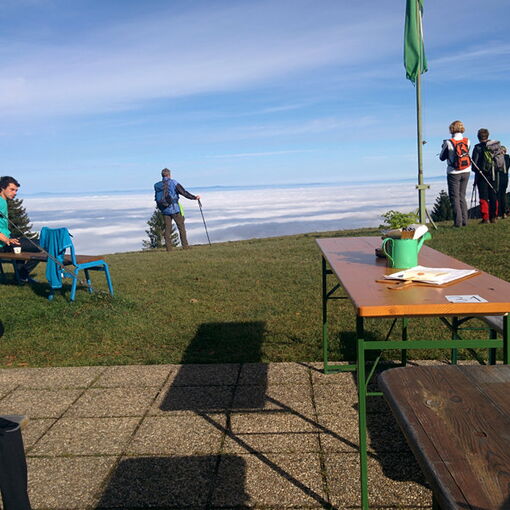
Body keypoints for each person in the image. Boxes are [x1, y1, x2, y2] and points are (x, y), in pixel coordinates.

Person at [0, 176, 41, 282]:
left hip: (8, 238)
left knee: (22, 247)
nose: (14, 193)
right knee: (42, 245)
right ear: (2, 188)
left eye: (16, 190)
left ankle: (20, 277)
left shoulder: (3, 201)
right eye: (12, 189)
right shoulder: (0, 202)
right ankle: (23, 275)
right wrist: (6, 240)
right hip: (3, 243)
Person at [153, 168, 200, 250]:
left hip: (164, 209)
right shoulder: (173, 183)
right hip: (174, 209)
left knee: (167, 228)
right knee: (181, 227)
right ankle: (185, 246)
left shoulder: (158, 185)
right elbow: (184, 192)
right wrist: (194, 197)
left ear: (162, 175)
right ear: (169, 175)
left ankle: (169, 248)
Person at [439, 120, 471, 227]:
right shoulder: (467, 141)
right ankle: (465, 221)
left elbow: (441, 157)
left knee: (454, 197)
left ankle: (458, 222)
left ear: (451, 129)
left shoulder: (449, 142)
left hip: (453, 172)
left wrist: (443, 147)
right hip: (466, 170)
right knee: (462, 196)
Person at [471, 128, 499, 224]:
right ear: (488, 136)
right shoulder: (494, 146)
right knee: (493, 195)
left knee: (483, 196)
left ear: (478, 137)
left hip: (481, 175)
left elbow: (474, 164)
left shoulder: (477, 148)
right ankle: (494, 217)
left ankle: (485, 218)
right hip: (494, 174)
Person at [497, 146, 509, 218]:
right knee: (503, 195)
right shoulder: (507, 158)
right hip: (505, 178)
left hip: (498, 178)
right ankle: (504, 212)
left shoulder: (499, 158)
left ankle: (499, 213)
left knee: (498, 195)